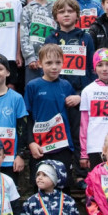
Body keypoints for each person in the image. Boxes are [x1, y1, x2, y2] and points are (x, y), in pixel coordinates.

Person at [24, 44, 79, 181]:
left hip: (62, 146)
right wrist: (31, 142)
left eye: (58, 62)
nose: (54, 67)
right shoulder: (33, 86)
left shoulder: (66, 86)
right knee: (40, 185)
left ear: (63, 63)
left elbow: (73, 118)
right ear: (40, 64)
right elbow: (27, 117)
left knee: (63, 185)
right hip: (40, 147)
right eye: (49, 63)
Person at [20, 0, 55, 82]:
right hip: (33, 59)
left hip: (52, 58)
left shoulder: (55, 7)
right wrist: (29, 57)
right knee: (32, 89)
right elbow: (24, 34)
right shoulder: (26, 9)